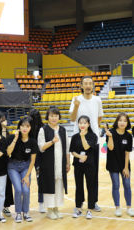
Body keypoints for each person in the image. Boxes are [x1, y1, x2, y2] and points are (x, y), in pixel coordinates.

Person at [69, 76, 103, 212]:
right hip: (77, 141)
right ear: (81, 85)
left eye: (90, 83)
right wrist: (76, 107)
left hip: (92, 142)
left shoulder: (97, 100)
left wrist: (94, 130)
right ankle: (79, 202)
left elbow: (100, 117)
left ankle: (93, 202)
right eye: (85, 83)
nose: (88, 85)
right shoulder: (76, 99)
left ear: (93, 86)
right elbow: (72, 118)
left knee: (93, 176)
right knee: (78, 175)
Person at [37, 106, 70, 220]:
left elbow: (66, 148)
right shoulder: (43, 130)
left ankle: (56, 208)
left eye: (56, 116)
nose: (54, 118)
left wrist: (68, 163)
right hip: (47, 163)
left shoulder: (62, 130)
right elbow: (41, 147)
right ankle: (49, 210)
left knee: (59, 185)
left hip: (60, 163)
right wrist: (52, 141)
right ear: (48, 117)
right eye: (51, 116)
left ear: (59, 117)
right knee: (49, 185)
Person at [6, 117, 37, 223]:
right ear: (19, 127)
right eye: (22, 126)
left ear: (30, 128)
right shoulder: (12, 137)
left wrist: (27, 176)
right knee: (18, 189)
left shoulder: (32, 141)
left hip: (26, 166)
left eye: (27, 126)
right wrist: (15, 138)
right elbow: (8, 152)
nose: (25, 128)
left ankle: (26, 213)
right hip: (13, 166)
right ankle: (18, 213)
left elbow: (32, 161)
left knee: (26, 190)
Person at [105, 113, 134, 217]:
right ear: (117, 121)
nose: (122, 122)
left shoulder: (128, 136)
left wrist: (126, 168)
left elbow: (127, 153)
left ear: (127, 123)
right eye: (120, 120)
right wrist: (110, 137)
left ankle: (129, 207)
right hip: (112, 164)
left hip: (124, 164)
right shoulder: (110, 132)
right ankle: (117, 208)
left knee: (127, 185)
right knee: (116, 185)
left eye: (124, 121)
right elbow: (110, 148)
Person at [70, 115, 98, 220]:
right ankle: (78, 208)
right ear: (78, 124)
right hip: (78, 165)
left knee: (90, 186)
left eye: (84, 123)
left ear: (88, 124)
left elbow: (87, 147)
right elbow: (72, 151)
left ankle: (90, 209)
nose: (82, 125)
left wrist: (82, 136)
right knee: (79, 186)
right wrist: (79, 156)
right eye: (80, 123)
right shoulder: (74, 137)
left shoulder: (92, 136)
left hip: (90, 165)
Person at [0, 111, 14, 217]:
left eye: (4, 119)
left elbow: (6, 143)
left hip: (5, 162)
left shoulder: (5, 131)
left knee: (6, 185)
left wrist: (4, 128)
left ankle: (5, 206)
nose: (4, 121)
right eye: (2, 119)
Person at [28, 109, 46, 213]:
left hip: (32, 156)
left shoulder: (38, 128)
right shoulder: (41, 127)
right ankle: (41, 203)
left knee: (26, 180)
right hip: (37, 157)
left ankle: (28, 204)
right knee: (40, 181)